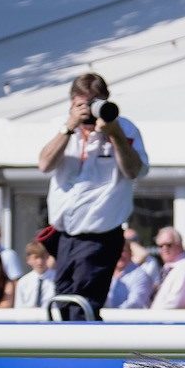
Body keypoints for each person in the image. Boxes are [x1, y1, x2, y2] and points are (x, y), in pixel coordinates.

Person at [37, 72, 148, 317]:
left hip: (100, 233)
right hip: (65, 235)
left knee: (82, 304)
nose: (90, 110)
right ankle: (67, 351)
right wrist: (69, 127)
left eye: (95, 102)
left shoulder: (124, 128)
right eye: (83, 104)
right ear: (72, 104)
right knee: (63, 304)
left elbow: (134, 171)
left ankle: (82, 353)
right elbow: (44, 164)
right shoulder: (62, 127)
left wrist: (114, 134)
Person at [149, 227, 185, 309]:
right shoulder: (168, 268)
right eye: (160, 246)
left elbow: (175, 304)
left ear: (179, 245)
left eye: (168, 245)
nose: (164, 248)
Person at [106, 239, 161, 309]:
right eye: (116, 250)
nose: (119, 254)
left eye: (123, 251)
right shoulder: (105, 275)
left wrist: (112, 313)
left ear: (130, 253)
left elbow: (135, 303)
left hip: (131, 318)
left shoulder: (140, 275)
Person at [13, 240, 56, 309]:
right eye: (36, 258)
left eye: (43, 257)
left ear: (48, 257)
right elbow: (19, 307)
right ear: (28, 260)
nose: (40, 262)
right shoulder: (23, 281)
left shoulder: (57, 279)